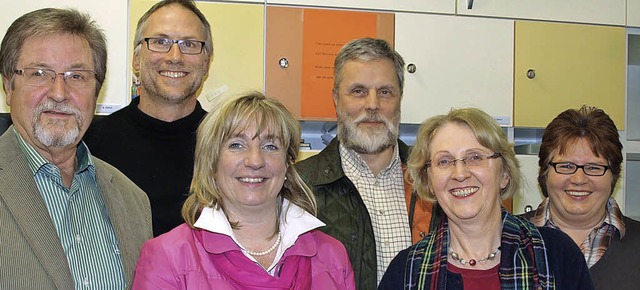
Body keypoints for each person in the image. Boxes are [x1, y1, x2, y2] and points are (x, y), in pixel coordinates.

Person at [132, 92, 355, 289]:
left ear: (288, 163)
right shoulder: (167, 258)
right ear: (212, 162)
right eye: (236, 145)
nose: (255, 160)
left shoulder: (333, 256)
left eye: (270, 146)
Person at [0, 8, 152, 289]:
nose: (59, 92)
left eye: (77, 76)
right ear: (9, 85)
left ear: (97, 91)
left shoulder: (133, 201)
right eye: (40, 73)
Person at [379, 107, 594, 290]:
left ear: (504, 174)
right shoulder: (405, 272)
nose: (460, 173)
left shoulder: (556, 256)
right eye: (444, 161)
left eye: (475, 157)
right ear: (429, 182)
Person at [295, 37, 435, 289]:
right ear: (336, 99)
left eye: (385, 92)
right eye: (358, 91)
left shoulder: (434, 179)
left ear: (399, 98)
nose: (372, 105)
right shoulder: (298, 186)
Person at [83, 0, 212, 236]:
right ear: (136, 59)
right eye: (160, 42)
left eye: (189, 44)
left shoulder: (229, 145)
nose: (175, 56)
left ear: (206, 63)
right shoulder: (89, 145)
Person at [521, 105, 640, 290]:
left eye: (593, 167)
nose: (579, 180)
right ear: (544, 171)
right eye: (566, 166)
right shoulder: (504, 239)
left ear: (614, 175)